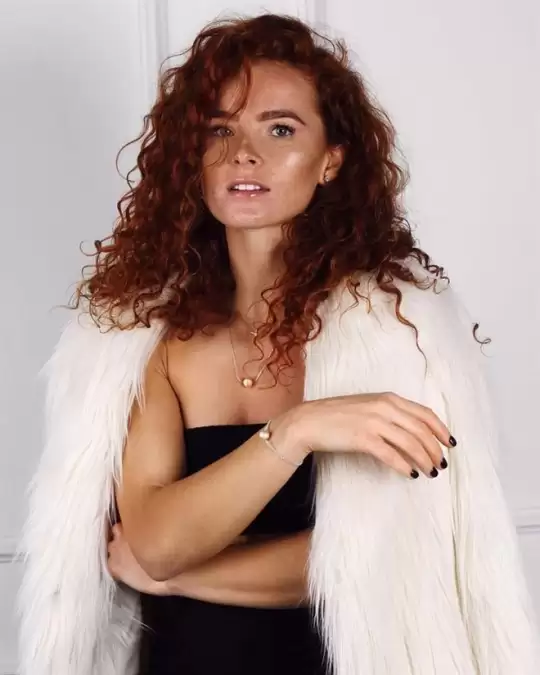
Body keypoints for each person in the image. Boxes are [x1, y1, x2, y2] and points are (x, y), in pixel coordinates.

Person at [17, 12, 540, 675]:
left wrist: (182, 578)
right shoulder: (142, 337)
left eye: (281, 129)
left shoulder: (402, 334)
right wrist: (296, 430)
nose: (244, 152)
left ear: (331, 161)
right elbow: (155, 541)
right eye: (220, 129)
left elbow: (395, 547)